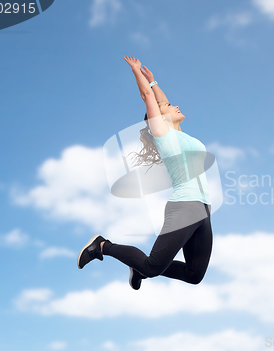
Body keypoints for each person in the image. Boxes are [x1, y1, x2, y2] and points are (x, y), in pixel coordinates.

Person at [77, 56, 213, 290]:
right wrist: (137, 72)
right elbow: (149, 99)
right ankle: (102, 246)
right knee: (152, 266)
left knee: (194, 274)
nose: (174, 104)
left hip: (203, 209)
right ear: (159, 118)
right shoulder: (164, 135)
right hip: (186, 204)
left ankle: (137, 265)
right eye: (168, 107)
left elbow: (160, 99)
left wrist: (153, 81)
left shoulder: (181, 135)